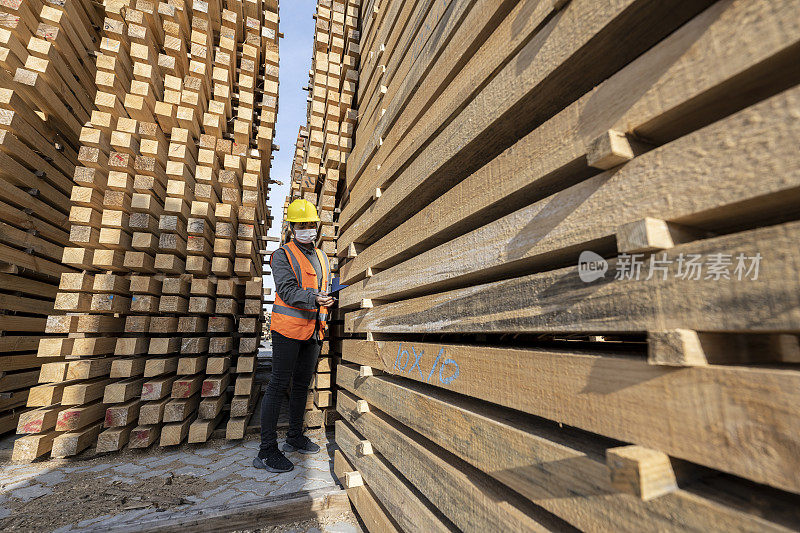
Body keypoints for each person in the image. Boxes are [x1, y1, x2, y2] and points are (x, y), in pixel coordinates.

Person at [253, 199, 335, 473]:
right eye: (302, 225)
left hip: (313, 331)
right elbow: (287, 290)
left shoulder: (322, 257)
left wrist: (329, 298)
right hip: (288, 331)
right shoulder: (282, 255)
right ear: (292, 228)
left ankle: (294, 438)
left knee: (302, 385)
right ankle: (266, 451)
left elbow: (323, 287)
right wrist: (315, 297)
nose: (308, 229)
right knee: (278, 385)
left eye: (311, 224)